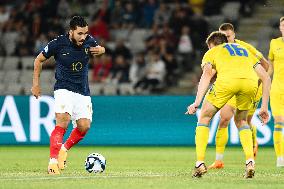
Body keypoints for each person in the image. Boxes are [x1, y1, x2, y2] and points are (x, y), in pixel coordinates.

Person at [185, 31, 271, 178]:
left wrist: (197, 102)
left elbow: (206, 75)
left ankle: (200, 163)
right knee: (242, 121)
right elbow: (265, 77)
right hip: (250, 84)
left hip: (227, 82)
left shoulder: (213, 52)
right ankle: (250, 162)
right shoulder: (243, 50)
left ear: (212, 45)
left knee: (204, 118)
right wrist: (264, 107)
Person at [31, 16, 105, 175]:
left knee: (84, 127)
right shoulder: (58, 43)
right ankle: (52, 162)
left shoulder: (88, 41)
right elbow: (38, 60)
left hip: (83, 91)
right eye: (79, 33)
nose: (83, 37)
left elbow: (100, 48)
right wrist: (36, 84)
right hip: (63, 88)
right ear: (71, 31)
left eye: (85, 33)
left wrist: (101, 50)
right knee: (62, 122)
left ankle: (64, 150)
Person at [208, 23, 270, 169]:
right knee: (223, 119)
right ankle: (218, 161)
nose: (225, 39)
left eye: (228, 36)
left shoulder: (245, 48)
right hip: (231, 87)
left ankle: (253, 147)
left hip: (250, 88)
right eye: (222, 36)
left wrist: (256, 83)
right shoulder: (220, 50)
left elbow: (265, 66)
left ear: (234, 35)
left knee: (245, 121)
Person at [268, 16, 284, 167]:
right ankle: (280, 158)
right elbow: (271, 68)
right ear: (280, 27)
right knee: (278, 122)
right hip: (277, 89)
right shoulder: (274, 43)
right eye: (282, 25)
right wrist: (263, 81)